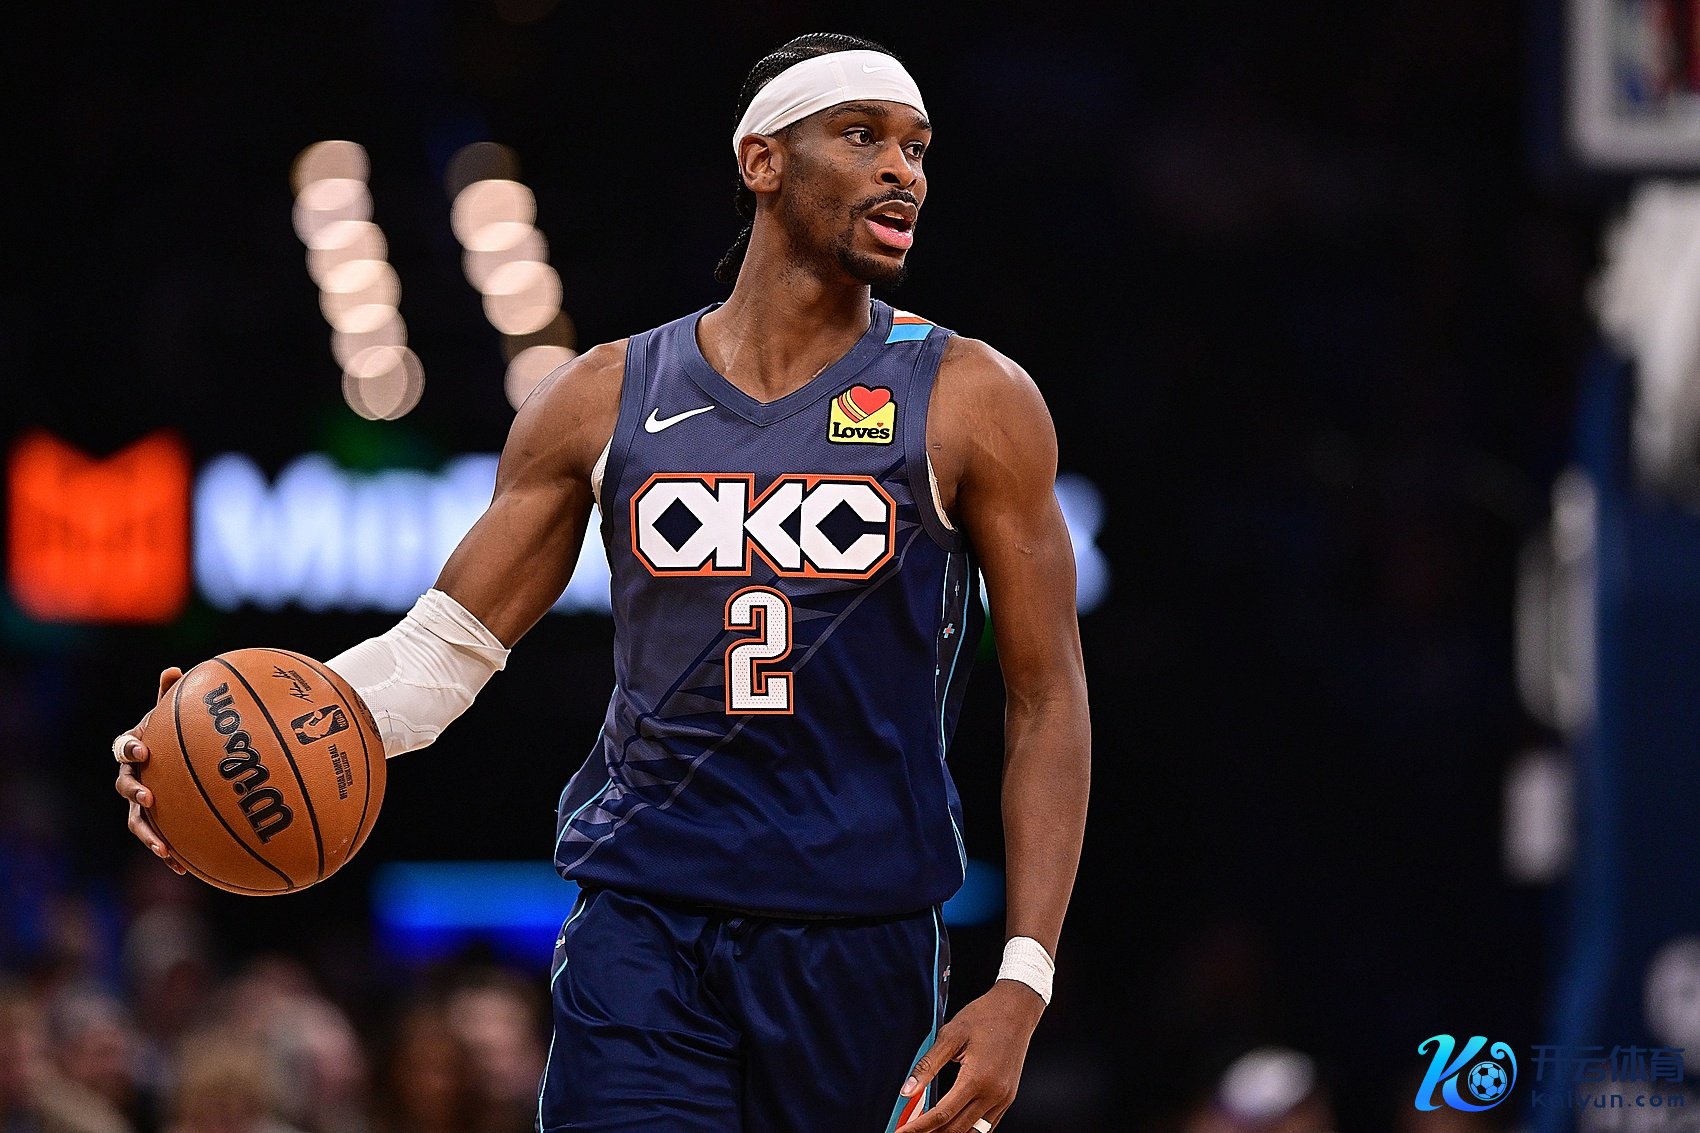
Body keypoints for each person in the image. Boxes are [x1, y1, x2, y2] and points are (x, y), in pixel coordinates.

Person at [113, 31, 1090, 1133]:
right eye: (862, 136)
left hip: (860, 933)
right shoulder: (604, 392)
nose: (901, 170)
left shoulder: (971, 396)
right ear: (762, 161)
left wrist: (1024, 974)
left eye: (916, 147)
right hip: (644, 920)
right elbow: (442, 653)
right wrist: (227, 742)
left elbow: (1047, 694)